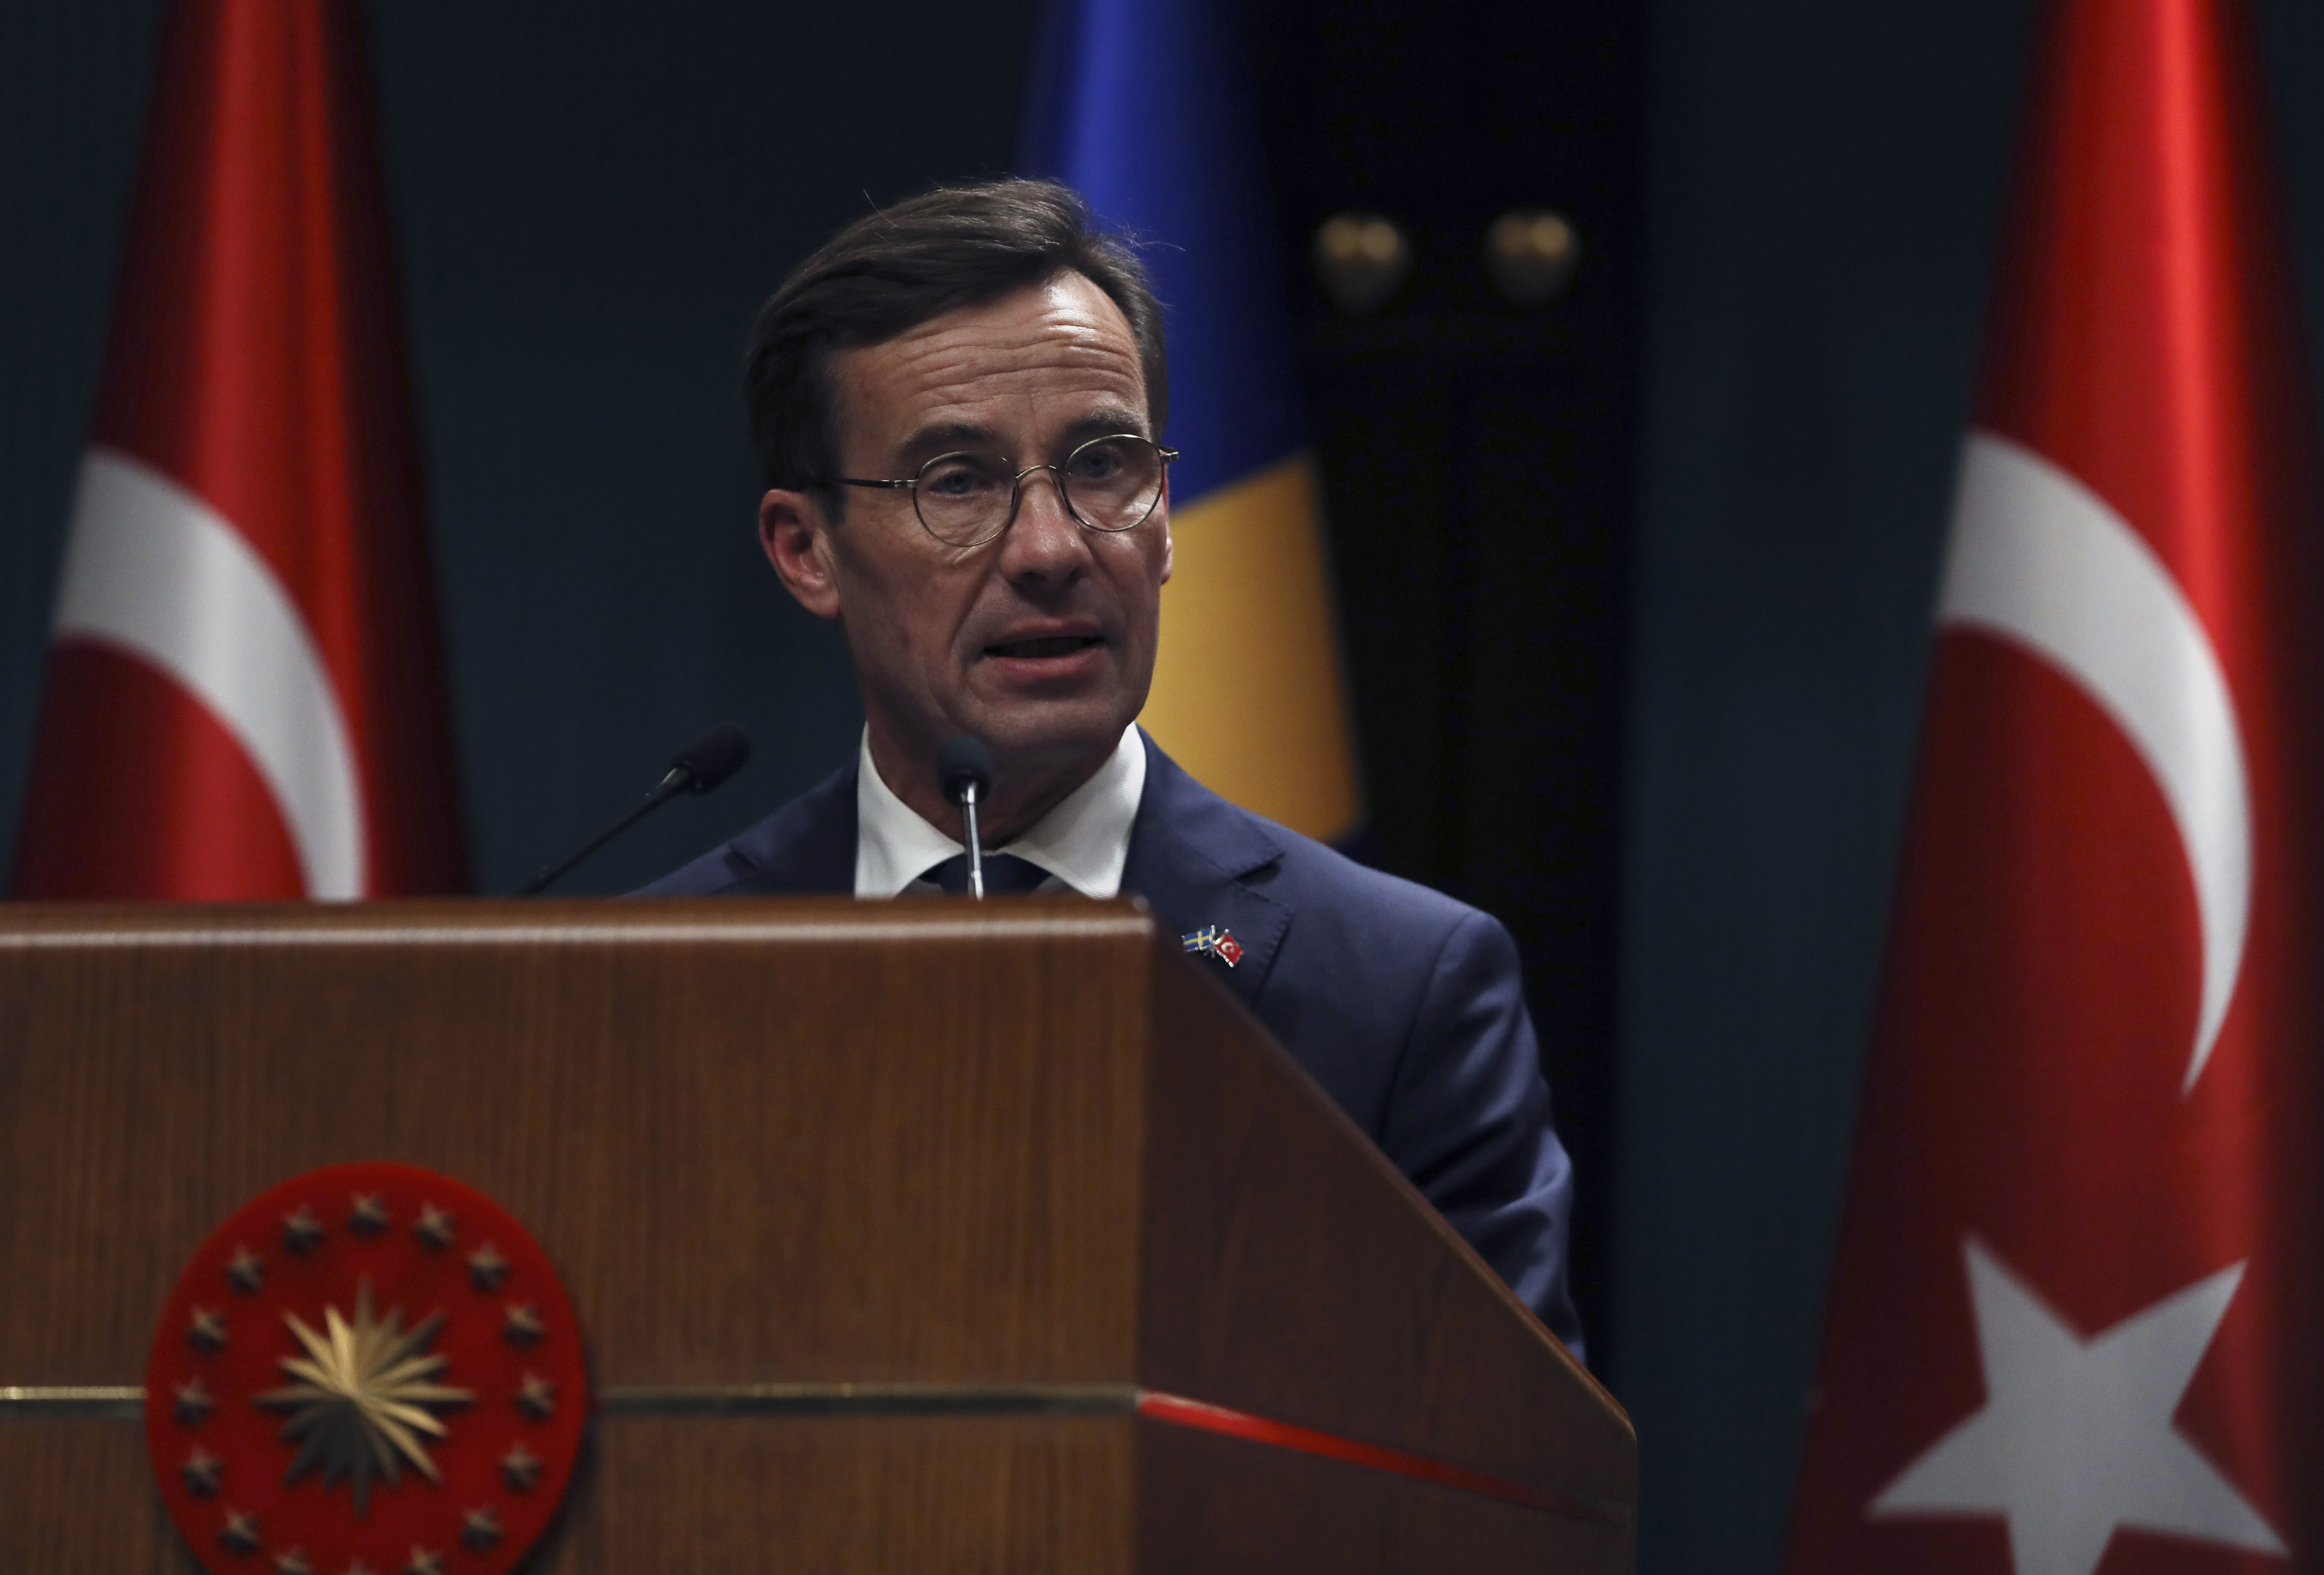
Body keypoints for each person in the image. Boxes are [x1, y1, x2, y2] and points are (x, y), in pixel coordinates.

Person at [640, 178, 1582, 1352]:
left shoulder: (1399, 992)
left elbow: (1501, 1487)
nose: (1050, 549)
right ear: (805, 550)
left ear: (1167, 513)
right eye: (958, 482)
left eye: (1102, 465)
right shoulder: (650, 984)